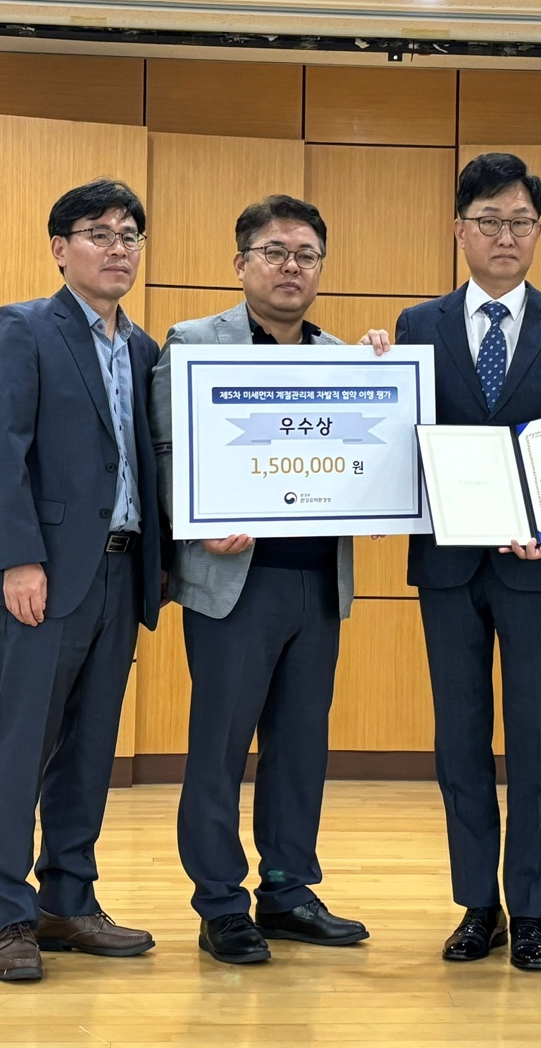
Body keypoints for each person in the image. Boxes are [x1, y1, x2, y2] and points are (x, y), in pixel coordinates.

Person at [391, 152, 541, 972]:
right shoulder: (417, 325)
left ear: (538, 230)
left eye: (519, 221)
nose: (504, 235)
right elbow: (400, 436)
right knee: (460, 740)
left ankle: (534, 908)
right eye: (488, 220)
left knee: (538, 740)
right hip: (447, 565)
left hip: (537, 566)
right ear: (459, 230)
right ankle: (477, 903)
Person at [150, 194, 368, 966]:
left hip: (318, 584)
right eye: (274, 251)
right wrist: (194, 523)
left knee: (300, 748)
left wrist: (385, 376)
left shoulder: (348, 357)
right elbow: (165, 460)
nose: (291, 267)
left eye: (306, 254)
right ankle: (219, 901)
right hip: (232, 582)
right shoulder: (191, 343)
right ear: (240, 263)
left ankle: (286, 889)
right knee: (219, 748)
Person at [0, 178, 165, 983]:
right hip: (43, 576)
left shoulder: (146, 347)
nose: (117, 248)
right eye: (98, 233)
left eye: (129, 236)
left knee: (89, 751)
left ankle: (68, 901)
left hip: (122, 572)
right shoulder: (24, 327)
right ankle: (9, 917)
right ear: (59, 248)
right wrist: (20, 556)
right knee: (22, 749)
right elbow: (0, 448)